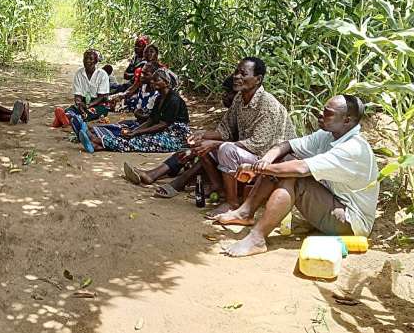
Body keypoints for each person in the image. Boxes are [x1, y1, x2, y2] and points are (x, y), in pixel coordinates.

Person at [215, 95, 378, 257]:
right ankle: (245, 213)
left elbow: (301, 169)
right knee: (283, 160)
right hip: (332, 203)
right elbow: (287, 145)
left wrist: (255, 169)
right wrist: (265, 161)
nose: (320, 114)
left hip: (351, 224)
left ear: (347, 120)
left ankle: (257, 239)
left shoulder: (353, 148)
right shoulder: (329, 135)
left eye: (328, 113)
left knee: (293, 177)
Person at [187, 57, 296, 217]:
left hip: (268, 159)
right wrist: (201, 135)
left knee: (225, 149)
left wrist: (215, 144)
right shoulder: (239, 98)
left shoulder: (268, 105)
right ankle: (220, 188)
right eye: (236, 72)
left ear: (258, 79)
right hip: (250, 153)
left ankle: (232, 204)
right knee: (201, 145)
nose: (237, 77)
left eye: (243, 74)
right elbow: (225, 129)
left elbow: (259, 144)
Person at [123, 76, 237, 198]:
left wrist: (208, 143)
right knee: (189, 150)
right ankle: (154, 174)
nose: (224, 95)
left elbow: (239, 141)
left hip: (235, 154)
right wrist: (199, 137)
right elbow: (224, 134)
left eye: (228, 92)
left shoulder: (174, 99)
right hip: (227, 151)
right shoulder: (233, 112)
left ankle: (178, 182)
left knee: (202, 154)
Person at [77, 68, 189, 154]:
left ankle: (98, 141)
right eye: (153, 79)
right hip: (165, 130)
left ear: (167, 82)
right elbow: (151, 120)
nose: (152, 82)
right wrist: (135, 131)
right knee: (135, 137)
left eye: (156, 80)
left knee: (143, 141)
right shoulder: (160, 98)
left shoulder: (173, 99)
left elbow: (162, 124)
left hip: (176, 136)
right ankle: (99, 145)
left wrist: (137, 132)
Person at [53, 49, 110, 127]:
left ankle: (65, 119)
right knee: (73, 109)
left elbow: (102, 97)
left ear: (96, 61)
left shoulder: (102, 74)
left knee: (90, 112)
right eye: (85, 58)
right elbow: (77, 95)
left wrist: (88, 105)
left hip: (98, 103)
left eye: (91, 59)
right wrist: (79, 103)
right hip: (83, 102)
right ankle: (67, 117)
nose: (87, 61)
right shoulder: (79, 73)